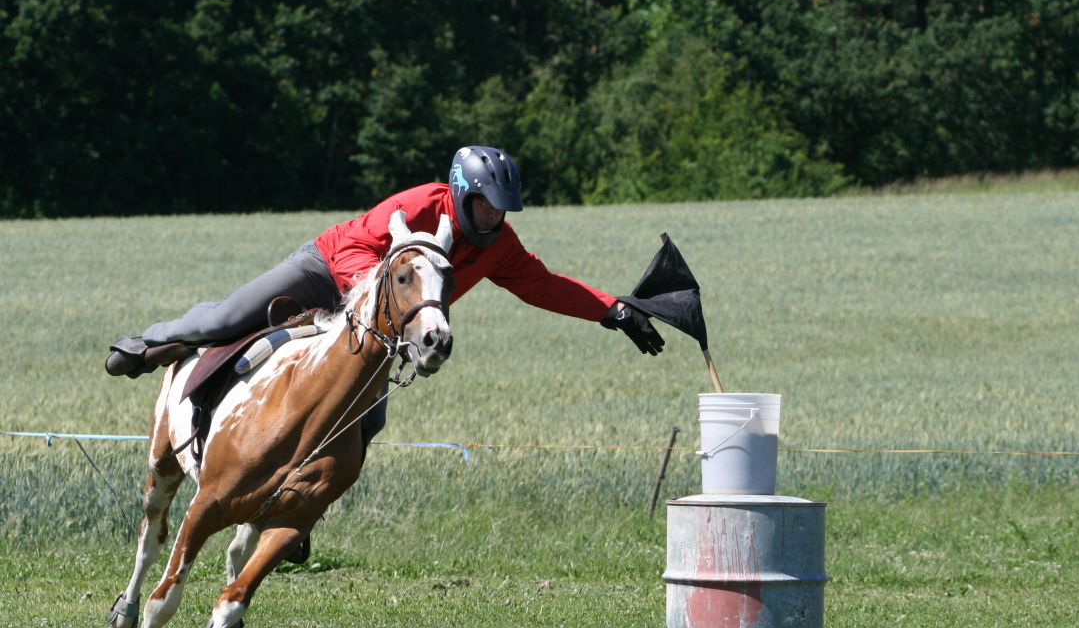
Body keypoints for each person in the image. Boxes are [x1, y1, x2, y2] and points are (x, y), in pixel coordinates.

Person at [105, 145, 665, 382]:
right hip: (326, 270)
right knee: (229, 320)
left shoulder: (499, 245)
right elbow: (354, 251)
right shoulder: (419, 204)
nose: (494, 219)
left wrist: (612, 311)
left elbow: (542, 286)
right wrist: (366, 298)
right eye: (486, 207)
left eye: (503, 211)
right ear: (460, 192)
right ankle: (148, 343)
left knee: (367, 416)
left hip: (378, 325)